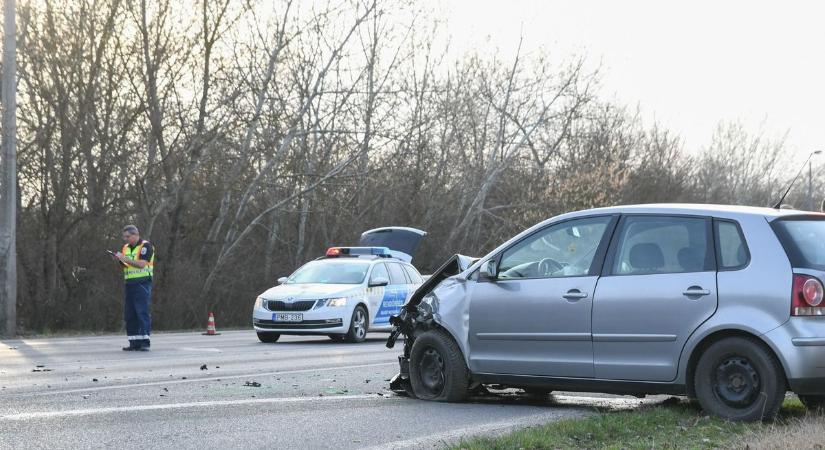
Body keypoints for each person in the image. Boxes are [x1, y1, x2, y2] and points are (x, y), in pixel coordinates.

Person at [112, 225, 155, 351]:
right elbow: (127, 265)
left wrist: (124, 258)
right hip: (129, 283)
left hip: (142, 283)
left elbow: (142, 264)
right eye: (124, 237)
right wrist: (118, 260)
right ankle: (133, 342)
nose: (125, 239)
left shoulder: (146, 246)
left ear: (136, 235)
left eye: (128, 236)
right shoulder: (125, 247)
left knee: (141, 311)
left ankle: (144, 342)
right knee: (129, 314)